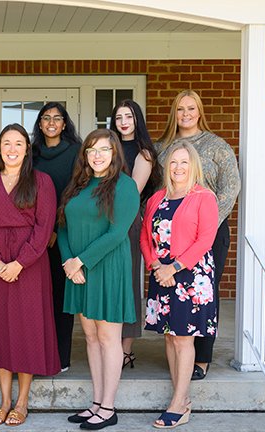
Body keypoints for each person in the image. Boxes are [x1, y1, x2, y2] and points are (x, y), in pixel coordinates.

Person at [0, 124, 60, 427]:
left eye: (18, 144)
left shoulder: (42, 181)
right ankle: (5, 400)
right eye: (6, 143)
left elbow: (44, 227)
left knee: (27, 328)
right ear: (0, 149)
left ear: (27, 149)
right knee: (0, 328)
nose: (12, 149)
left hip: (30, 264)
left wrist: (20, 263)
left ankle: (22, 402)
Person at [156, 90, 240, 381]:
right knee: (172, 292)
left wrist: (206, 226)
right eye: (180, 109)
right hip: (170, 234)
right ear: (174, 113)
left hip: (210, 233)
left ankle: (201, 357)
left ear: (200, 111)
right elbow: (154, 191)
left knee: (203, 295)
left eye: (191, 108)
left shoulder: (217, 145)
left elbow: (231, 186)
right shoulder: (163, 148)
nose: (186, 114)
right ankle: (178, 353)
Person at [59, 129, 139, 430]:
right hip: (78, 272)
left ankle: (108, 406)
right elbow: (63, 224)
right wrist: (69, 262)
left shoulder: (125, 186)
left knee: (108, 338)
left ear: (114, 153)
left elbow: (117, 233)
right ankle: (95, 402)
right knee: (90, 338)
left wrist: (81, 260)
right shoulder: (78, 185)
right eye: (92, 150)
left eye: (104, 149)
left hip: (106, 269)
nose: (97, 155)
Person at [141, 142, 219, 428]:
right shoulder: (156, 198)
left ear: (193, 165)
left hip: (190, 276)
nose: (178, 168)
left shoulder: (204, 197)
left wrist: (173, 267)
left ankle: (178, 403)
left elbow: (205, 241)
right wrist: (155, 266)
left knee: (184, 337)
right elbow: (144, 237)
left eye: (184, 162)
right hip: (160, 274)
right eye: (173, 162)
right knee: (169, 336)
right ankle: (180, 397)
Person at [109, 99, 160, 369]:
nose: (124, 122)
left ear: (137, 119)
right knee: (110, 284)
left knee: (128, 284)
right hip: (103, 220)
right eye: (118, 118)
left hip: (128, 222)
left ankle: (125, 349)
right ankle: (109, 345)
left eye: (128, 117)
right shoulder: (109, 149)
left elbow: (132, 192)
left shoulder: (144, 153)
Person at [31, 102, 82, 373]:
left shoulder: (76, 153)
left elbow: (75, 192)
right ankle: (38, 353)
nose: (51, 122)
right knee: (38, 297)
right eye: (46, 118)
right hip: (36, 235)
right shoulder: (32, 154)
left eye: (57, 118)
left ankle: (61, 357)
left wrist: (55, 228)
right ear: (40, 124)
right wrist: (41, 231)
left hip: (64, 232)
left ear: (64, 124)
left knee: (62, 298)